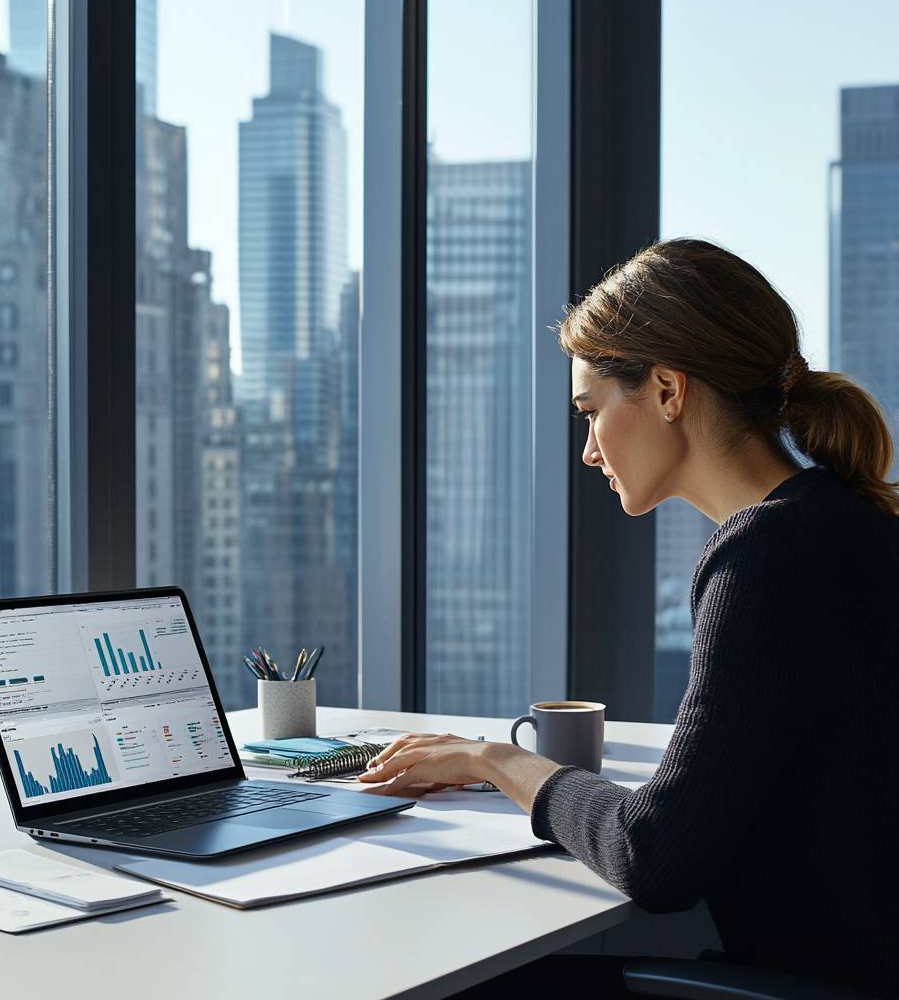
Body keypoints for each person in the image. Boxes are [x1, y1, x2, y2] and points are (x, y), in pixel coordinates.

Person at [357, 239, 899, 999]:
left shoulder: (767, 560)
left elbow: (657, 858)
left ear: (669, 390)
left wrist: (497, 761)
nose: (588, 450)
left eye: (592, 411)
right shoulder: (845, 525)